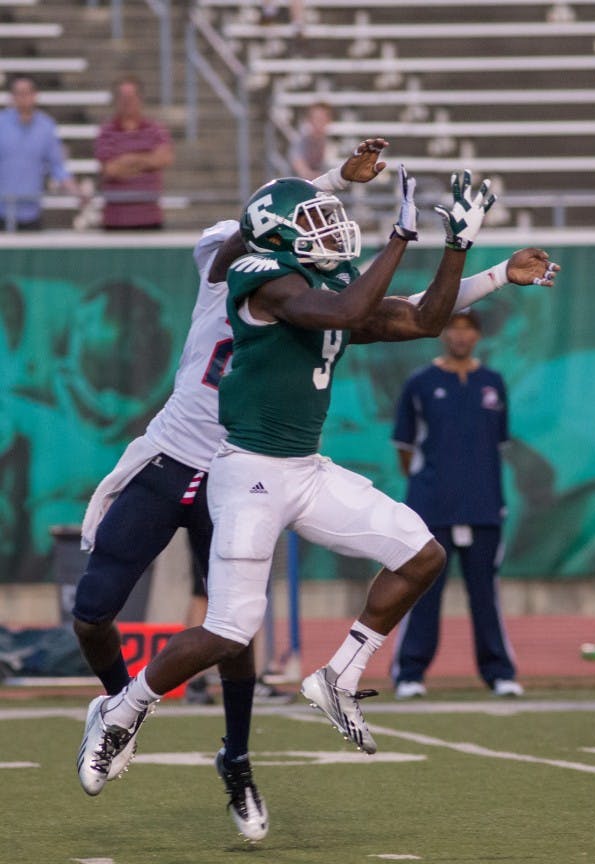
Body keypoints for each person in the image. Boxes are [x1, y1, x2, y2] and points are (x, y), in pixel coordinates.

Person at [75, 163, 559, 828]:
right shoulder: (255, 278)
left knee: (422, 554)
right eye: (314, 221)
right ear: (272, 234)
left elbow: (420, 318)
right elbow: (348, 309)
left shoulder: (325, 283)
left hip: (302, 468)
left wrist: (468, 252)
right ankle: (123, 711)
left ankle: (338, 677)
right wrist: (400, 234)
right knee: (228, 631)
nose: (332, 229)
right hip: (246, 473)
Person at [391, 309, 522, 699]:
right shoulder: (420, 384)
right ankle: (410, 674)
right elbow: (404, 448)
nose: (460, 336)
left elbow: (497, 445)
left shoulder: (493, 383)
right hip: (432, 510)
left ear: (479, 336)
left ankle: (499, 673)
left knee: (485, 594)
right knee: (423, 592)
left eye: (468, 329)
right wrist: (431, 483)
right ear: (442, 333)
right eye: (453, 327)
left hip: (484, 507)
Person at [94, 76, 174, 230]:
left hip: (150, 218)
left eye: (131, 97)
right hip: (115, 221)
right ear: (116, 100)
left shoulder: (155, 129)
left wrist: (128, 159)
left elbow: (164, 159)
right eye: (123, 97)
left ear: (140, 98)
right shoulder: (106, 132)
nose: (127, 101)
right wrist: (147, 163)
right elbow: (110, 170)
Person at [0, 74, 79, 230]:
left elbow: (57, 166)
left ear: (35, 95)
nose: (22, 98)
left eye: (26, 93)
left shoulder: (46, 127)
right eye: (18, 93)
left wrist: (74, 190)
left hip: (31, 212)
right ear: (12, 97)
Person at [289, 103, 337, 180]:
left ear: (328, 120)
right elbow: (299, 166)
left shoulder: (332, 143)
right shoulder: (300, 141)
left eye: (321, 119)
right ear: (309, 120)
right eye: (315, 118)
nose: (318, 122)